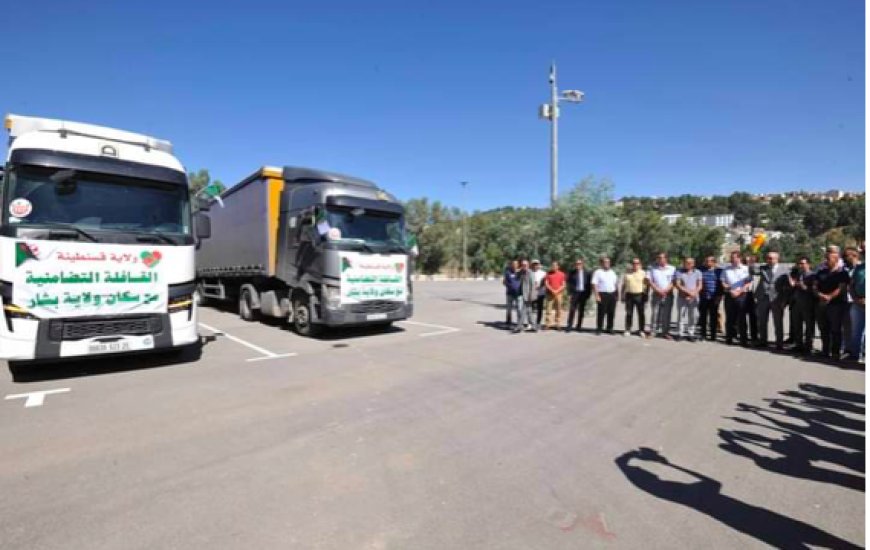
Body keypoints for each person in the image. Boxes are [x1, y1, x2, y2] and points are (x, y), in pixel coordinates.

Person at [814, 248, 850, 360]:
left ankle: (835, 352)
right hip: (821, 304)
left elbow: (842, 288)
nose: (826, 260)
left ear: (836, 259)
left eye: (828, 259)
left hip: (836, 305)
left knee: (835, 329)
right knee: (823, 328)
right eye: (826, 258)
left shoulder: (842, 273)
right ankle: (825, 350)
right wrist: (820, 295)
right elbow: (815, 286)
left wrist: (829, 297)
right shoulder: (821, 272)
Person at [755, 251, 791, 350]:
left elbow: (787, 287)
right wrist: (753, 257)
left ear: (777, 259)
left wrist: (785, 301)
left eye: (772, 258)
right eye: (768, 258)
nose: (770, 260)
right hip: (763, 298)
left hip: (777, 299)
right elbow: (751, 270)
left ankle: (779, 343)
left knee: (778, 322)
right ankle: (763, 341)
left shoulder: (784, 270)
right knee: (762, 321)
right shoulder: (763, 268)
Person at [721, 251, 750, 346]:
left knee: (742, 318)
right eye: (731, 258)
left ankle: (743, 340)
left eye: (734, 257)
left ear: (739, 258)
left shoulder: (746, 269)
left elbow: (748, 282)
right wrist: (730, 290)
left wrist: (739, 291)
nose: (733, 259)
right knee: (729, 318)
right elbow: (723, 282)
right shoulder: (726, 270)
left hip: (742, 296)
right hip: (730, 295)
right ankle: (729, 338)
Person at [788, 256, 816, 355]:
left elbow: (814, 290)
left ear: (808, 264)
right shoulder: (798, 274)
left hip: (808, 303)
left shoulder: (813, 275)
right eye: (799, 263)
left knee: (809, 326)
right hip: (796, 303)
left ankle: (808, 346)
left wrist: (804, 287)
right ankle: (798, 344)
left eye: (803, 263)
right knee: (797, 325)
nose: (801, 265)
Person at [647, 252, 676, 340]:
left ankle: (665, 332)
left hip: (668, 294)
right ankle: (653, 332)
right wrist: (658, 290)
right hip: (656, 294)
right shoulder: (652, 268)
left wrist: (666, 290)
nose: (660, 259)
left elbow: (674, 281)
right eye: (658, 258)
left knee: (666, 314)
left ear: (666, 259)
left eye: (662, 258)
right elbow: (649, 281)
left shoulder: (672, 268)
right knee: (655, 314)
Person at [674, 257, 702, 341]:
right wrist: (689, 293)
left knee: (693, 316)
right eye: (686, 263)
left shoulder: (698, 272)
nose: (688, 264)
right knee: (681, 316)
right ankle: (680, 333)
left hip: (694, 297)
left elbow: (700, 285)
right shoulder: (679, 272)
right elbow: (678, 284)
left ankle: (691, 333)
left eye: (690, 263)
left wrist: (693, 294)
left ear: (693, 264)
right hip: (682, 297)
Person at [698, 256, 723, 342]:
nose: (708, 263)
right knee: (703, 317)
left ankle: (713, 336)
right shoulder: (701, 270)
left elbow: (721, 286)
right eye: (706, 261)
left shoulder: (719, 272)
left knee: (714, 317)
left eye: (710, 261)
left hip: (714, 298)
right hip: (703, 297)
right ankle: (703, 335)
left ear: (714, 262)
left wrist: (719, 297)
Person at [621, 257, 647, 337]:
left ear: (639, 264)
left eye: (637, 263)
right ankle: (628, 329)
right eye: (634, 263)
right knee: (629, 313)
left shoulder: (643, 273)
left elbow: (646, 285)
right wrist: (622, 295)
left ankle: (641, 330)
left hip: (640, 295)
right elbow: (624, 285)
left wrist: (646, 296)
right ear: (632, 264)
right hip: (629, 295)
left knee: (641, 313)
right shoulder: (627, 273)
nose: (635, 265)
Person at [592, 256, 618, 334]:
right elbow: (594, 284)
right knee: (601, 312)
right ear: (602, 263)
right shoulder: (598, 272)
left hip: (612, 294)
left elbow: (615, 284)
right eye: (605, 262)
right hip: (602, 294)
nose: (607, 263)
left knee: (611, 312)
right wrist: (597, 295)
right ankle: (599, 328)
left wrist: (617, 294)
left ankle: (610, 328)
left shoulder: (612, 272)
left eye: (608, 262)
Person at [847, 243, 865, 361]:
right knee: (856, 331)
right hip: (857, 302)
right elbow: (851, 285)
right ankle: (854, 355)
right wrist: (856, 298)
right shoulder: (859, 268)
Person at [565, 259, 592, 332]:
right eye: (576, 264)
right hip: (575, 293)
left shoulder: (587, 273)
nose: (578, 265)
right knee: (572, 310)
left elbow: (589, 285)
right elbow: (569, 284)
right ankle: (569, 326)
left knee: (581, 311)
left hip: (583, 294)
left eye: (579, 264)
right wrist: (569, 294)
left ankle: (579, 326)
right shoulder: (572, 273)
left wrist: (588, 295)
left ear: (582, 264)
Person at [515, 260, 537, 333]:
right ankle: (533, 326)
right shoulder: (521, 272)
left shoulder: (530, 273)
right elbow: (517, 277)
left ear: (528, 265)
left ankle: (519, 327)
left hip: (528, 295)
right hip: (522, 294)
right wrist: (517, 271)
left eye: (525, 265)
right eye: (522, 265)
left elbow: (533, 285)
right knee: (529, 311)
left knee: (523, 311)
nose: (523, 266)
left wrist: (531, 295)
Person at [543, 261, 566, 330]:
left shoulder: (562, 274)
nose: (554, 267)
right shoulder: (548, 274)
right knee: (548, 309)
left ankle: (558, 324)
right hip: (550, 294)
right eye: (553, 265)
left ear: (558, 266)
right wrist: (552, 290)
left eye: (555, 265)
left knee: (558, 309)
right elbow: (546, 283)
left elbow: (564, 284)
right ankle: (547, 324)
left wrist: (557, 291)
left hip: (559, 294)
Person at [744, 254, 760, 344]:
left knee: (754, 316)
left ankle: (754, 336)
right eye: (747, 261)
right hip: (744, 294)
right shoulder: (742, 270)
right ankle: (743, 334)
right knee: (741, 316)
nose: (749, 262)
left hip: (755, 295)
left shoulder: (758, 270)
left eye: (751, 261)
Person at [502, 260, 520, 327]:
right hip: (509, 294)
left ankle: (519, 322)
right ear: (511, 265)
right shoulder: (507, 273)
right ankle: (508, 322)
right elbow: (504, 282)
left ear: (518, 265)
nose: (515, 265)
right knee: (509, 309)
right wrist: (509, 286)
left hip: (518, 294)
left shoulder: (519, 273)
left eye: (516, 264)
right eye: (513, 264)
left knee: (519, 308)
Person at [530, 260, 547, 330]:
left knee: (540, 309)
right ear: (532, 265)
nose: (535, 266)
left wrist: (540, 286)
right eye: (534, 264)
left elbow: (546, 282)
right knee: (531, 309)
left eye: (537, 264)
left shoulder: (543, 273)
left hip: (541, 293)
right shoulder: (529, 272)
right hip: (532, 294)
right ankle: (531, 323)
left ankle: (538, 323)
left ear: (539, 265)